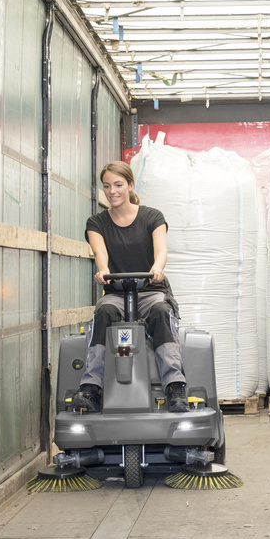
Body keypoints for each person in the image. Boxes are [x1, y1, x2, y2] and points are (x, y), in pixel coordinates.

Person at [77, 161, 189, 412]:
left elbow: (161, 251)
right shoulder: (97, 223)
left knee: (161, 312)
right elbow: (100, 253)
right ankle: (92, 387)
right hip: (116, 293)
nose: (112, 191)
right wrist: (104, 271)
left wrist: (157, 268)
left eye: (118, 185)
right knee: (103, 312)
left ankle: (175, 386)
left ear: (130, 185)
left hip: (150, 291)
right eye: (106, 186)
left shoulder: (152, 217)